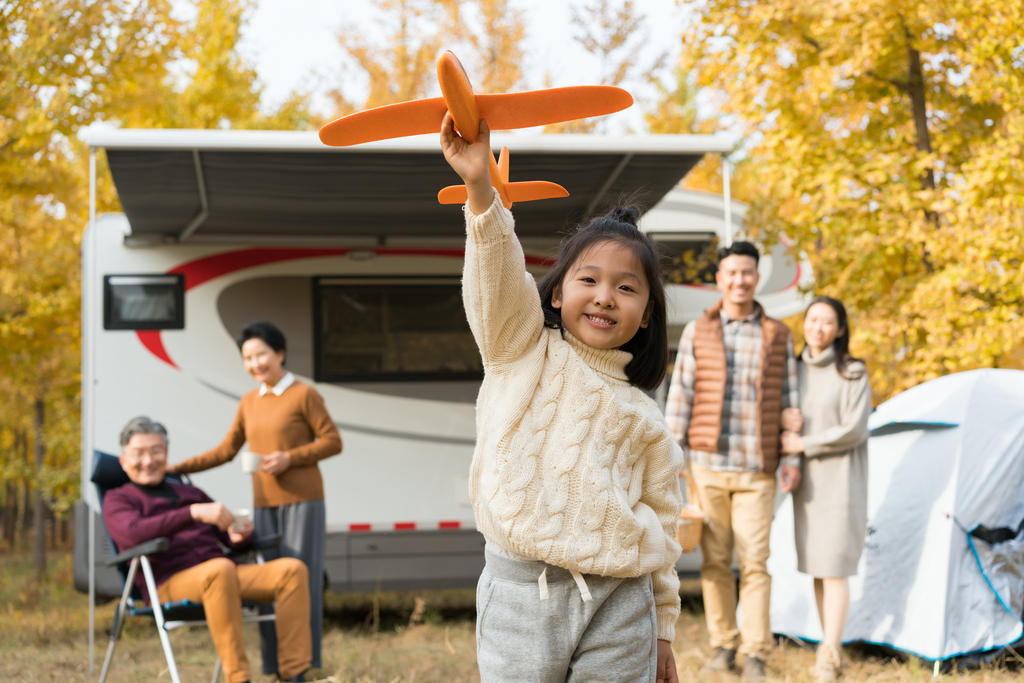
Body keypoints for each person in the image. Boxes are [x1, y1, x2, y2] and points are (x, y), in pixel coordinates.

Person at [441, 114, 683, 683]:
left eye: (627, 288)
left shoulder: (645, 416)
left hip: (623, 604)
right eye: (589, 279)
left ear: (646, 315)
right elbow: (496, 273)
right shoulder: (520, 346)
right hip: (522, 595)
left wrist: (664, 629)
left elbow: (665, 525)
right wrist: (479, 189)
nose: (605, 297)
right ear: (556, 293)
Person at [168, 322, 342, 677]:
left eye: (261, 354)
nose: (255, 363)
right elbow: (226, 450)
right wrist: (176, 468)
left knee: (302, 582)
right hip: (263, 505)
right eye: (248, 357)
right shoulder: (249, 401)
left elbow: (332, 440)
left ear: (279, 353)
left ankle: (302, 666)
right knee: (269, 584)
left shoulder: (303, 395)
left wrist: (289, 457)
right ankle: (275, 663)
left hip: (303, 501)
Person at [665, 240, 803, 681]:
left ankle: (757, 653)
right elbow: (680, 394)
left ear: (756, 278)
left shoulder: (778, 334)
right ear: (720, 279)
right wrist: (674, 453)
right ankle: (724, 646)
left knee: (757, 562)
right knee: (715, 561)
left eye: (747, 272)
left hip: (758, 466)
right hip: (706, 463)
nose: (739, 280)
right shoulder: (697, 331)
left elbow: (790, 397)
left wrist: (792, 452)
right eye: (731, 273)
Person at [104, 417, 324, 683]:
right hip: (168, 582)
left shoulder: (191, 492)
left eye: (156, 451)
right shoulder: (118, 498)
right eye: (138, 453)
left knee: (292, 570)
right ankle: (239, 678)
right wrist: (193, 513)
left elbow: (229, 535)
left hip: (222, 575)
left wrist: (239, 535)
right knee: (219, 570)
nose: (148, 461)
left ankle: (293, 674)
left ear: (166, 454)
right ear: (123, 461)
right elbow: (133, 533)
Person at [781, 296, 871, 683]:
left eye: (827, 322)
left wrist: (805, 443)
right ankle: (828, 644)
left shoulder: (853, 371)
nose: (818, 327)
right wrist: (785, 422)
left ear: (839, 329)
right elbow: (783, 414)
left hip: (842, 482)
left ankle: (828, 654)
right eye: (813, 319)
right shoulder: (794, 370)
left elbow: (855, 428)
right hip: (808, 487)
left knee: (835, 569)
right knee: (819, 568)